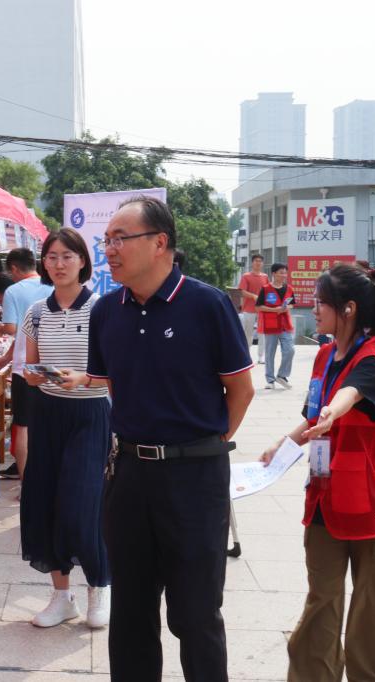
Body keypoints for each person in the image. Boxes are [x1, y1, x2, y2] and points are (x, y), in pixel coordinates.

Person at [75, 196, 254, 681]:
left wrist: (201, 444)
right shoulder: (106, 311)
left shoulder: (206, 304)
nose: (109, 249)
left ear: (160, 243)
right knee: (130, 612)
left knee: (196, 613)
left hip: (195, 478)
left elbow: (240, 390)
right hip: (129, 474)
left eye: (120, 238)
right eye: (106, 240)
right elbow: (115, 387)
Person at [260, 263, 375, 682]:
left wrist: (334, 410)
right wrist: (284, 444)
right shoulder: (326, 355)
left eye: (321, 302)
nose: (313, 308)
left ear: (348, 309)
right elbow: (313, 414)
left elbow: (352, 391)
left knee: (369, 623)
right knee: (320, 608)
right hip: (327, 501)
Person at [17, 228, 111, 630]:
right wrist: (33, 375)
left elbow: (119, 371)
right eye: (52, 257)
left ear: (83, 261)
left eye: (67, 256)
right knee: (46, 503)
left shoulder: (103, 309)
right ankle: (61, 597)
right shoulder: (37, 312)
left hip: (90, 414)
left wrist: (85, 379)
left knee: (82, 504)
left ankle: (99, 587)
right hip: (47, 412)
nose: (59, 264)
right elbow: (29, 366)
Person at [0, 247, 53, 481]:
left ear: (14, 268)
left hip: (25, 367)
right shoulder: (53, 285)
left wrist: (0, 329)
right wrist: (6, 357)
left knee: (23, 426)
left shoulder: (14, 291)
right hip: (52, 365)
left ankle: (27, 486)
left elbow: (12, 329)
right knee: (49, 424)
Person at [257, 263, 296, 390]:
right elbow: (259, 306)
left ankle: (282, 375)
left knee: (290, 350)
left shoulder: (289, 288)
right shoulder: (265, 289)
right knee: (270, 353)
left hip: (285, 325)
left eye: (285, 273)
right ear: (273, 274)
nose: (284, 275)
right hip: (271, 325)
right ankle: (270, 380)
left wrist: (286, 308)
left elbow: (292, 304)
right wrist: (275, 310)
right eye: (281, 273)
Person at [237, 253, 268, 364]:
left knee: (262, 333)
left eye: (260, 261)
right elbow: (242, 292)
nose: (258, 263)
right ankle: (246, 355)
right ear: (252, 263)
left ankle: (261, 356)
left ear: (262, 263)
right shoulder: (246, 276)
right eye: (256, 261)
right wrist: (254, 296)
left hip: (262, 309)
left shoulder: (265, 277)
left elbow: (268, 291)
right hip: (248, 309)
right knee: (248, 334)